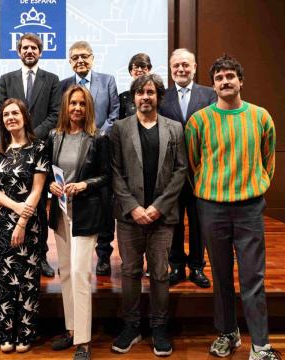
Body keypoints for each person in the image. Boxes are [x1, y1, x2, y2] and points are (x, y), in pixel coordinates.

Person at [185, 54, 280, 360]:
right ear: (212, 85)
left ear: (241, 81)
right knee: (222, 276)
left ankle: (261, 345)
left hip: (249, 208)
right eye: (219, 78)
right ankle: (228, 333)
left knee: (253, 277)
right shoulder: (199, 121)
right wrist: (212, 189)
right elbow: (193, 163)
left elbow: (269, 161)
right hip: (212, 208)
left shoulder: (261, 117)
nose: (225, 81)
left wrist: (253, 188)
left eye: (230, 76)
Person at [110, 74, 186, 356]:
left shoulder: (175, 128)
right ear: (133, 97)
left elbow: (181, 170)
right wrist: (134, 207)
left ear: (159, 97)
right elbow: (115, 171)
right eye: (140, 93)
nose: (145, 97)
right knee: (129, 272)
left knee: (159, 273)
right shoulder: (119, 128)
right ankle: (131, 326)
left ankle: (159, 327)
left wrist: (158, 207)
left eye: (150, 92)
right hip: (130, 216)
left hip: (162, 217)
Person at [0, 99, 49, 353]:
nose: (10, 117)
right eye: (6, 114)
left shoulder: (39, 147)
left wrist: (21, 219)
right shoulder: (0, 151)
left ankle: (25, 334)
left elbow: (38, 190)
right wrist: (14, 207)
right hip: (0, 222)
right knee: (1, 279)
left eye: (14, 113)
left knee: (24, 279)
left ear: (24, 116)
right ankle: (4, 332)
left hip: (28, 223)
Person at [47, 86, 110, 360]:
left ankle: (84, 342)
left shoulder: (98, 138)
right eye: (72, 103)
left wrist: (85, 184)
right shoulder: (55, 136)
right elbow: (48, 170)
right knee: (67, 273)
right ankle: (71, 329)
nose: (76, 109)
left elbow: (106, 176)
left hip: (86, 213)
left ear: (89, 108)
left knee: (82, 275)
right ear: (65, 106)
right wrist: (51, 184)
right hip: (61, 213)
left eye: (82, 104)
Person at [0, 33, 61, 277]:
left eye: (34, 47)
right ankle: (10, 250)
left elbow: (55, 114)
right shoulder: (6, 79)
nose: (29, 51)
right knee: (12, 200)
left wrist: (31, 136)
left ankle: (41, 255)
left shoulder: (52, 80)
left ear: (40, 52)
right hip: (11, 150)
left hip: (40, 150)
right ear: (18, 51)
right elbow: (2, 111)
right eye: (25, 47)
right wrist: (19, 134)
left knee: (39, 203)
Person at [59, 41, 119, 276]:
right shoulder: (64, 85)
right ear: (70, 61)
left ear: (93, 58)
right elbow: (63, 115)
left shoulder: (108, 81)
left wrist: (97, 135)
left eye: (84, 56)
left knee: (104, 201)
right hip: (73, 151)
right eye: (75, 57)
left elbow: (114, 112)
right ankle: (74, 252)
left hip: (101, 147)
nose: (80, 60)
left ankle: (103, 254)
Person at [159, 48, 217, 288]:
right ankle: (176, 266)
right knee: (173, 222)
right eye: (176, 66)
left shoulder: (209, 95)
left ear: (194, 67)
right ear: (171, 69)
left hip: (200, 172)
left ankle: (196, 267)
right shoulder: (162, 96)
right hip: (171, 173)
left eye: (185, 65)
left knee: (197, 222)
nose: (181, 69)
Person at [118, 53, 152, 120]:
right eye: (136, 67)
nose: (139, 70)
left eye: (143, 66)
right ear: (131, 71)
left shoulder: (157, 94)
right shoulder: (123, 97)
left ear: (149, 70)